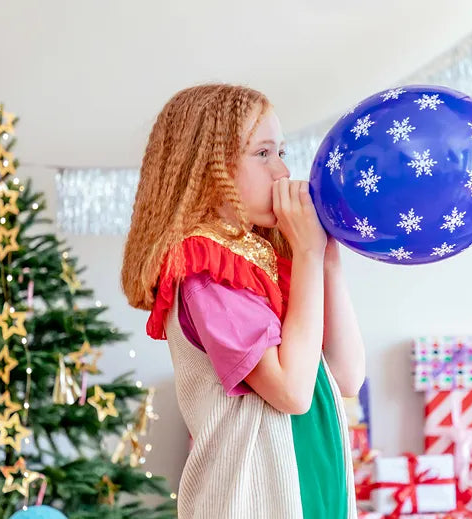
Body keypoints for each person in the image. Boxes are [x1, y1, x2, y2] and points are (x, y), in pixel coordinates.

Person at [121, 83, 366, 519]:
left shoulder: (273, 259)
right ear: (209, 168)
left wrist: (327, 262)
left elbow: (345, 378)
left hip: (316, 481)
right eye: (263, 153)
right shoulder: (206, 268)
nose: (282, 171)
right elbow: (291, 392)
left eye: (282, 152)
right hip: (255, 498)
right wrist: (307, 255)